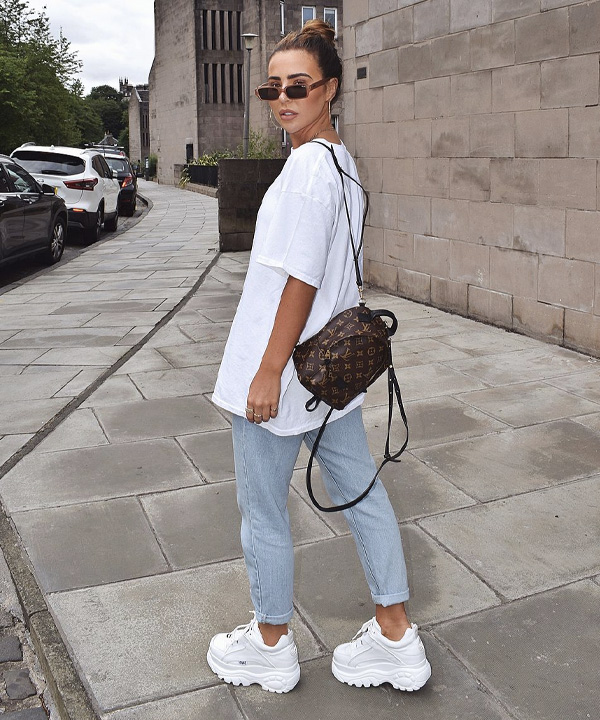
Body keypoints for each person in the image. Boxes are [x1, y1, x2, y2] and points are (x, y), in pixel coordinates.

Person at [208, 19, 431, 694]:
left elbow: (299, 282)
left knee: (263, 511)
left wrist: (268, 372)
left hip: (282, 373)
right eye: (271, 88)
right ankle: (395, 635)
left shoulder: (307, 169)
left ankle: (270, 643)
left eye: (298, 87)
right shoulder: (341, 162)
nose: (283, 99)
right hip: (331, 378)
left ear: (329, 88)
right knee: (363, 494)